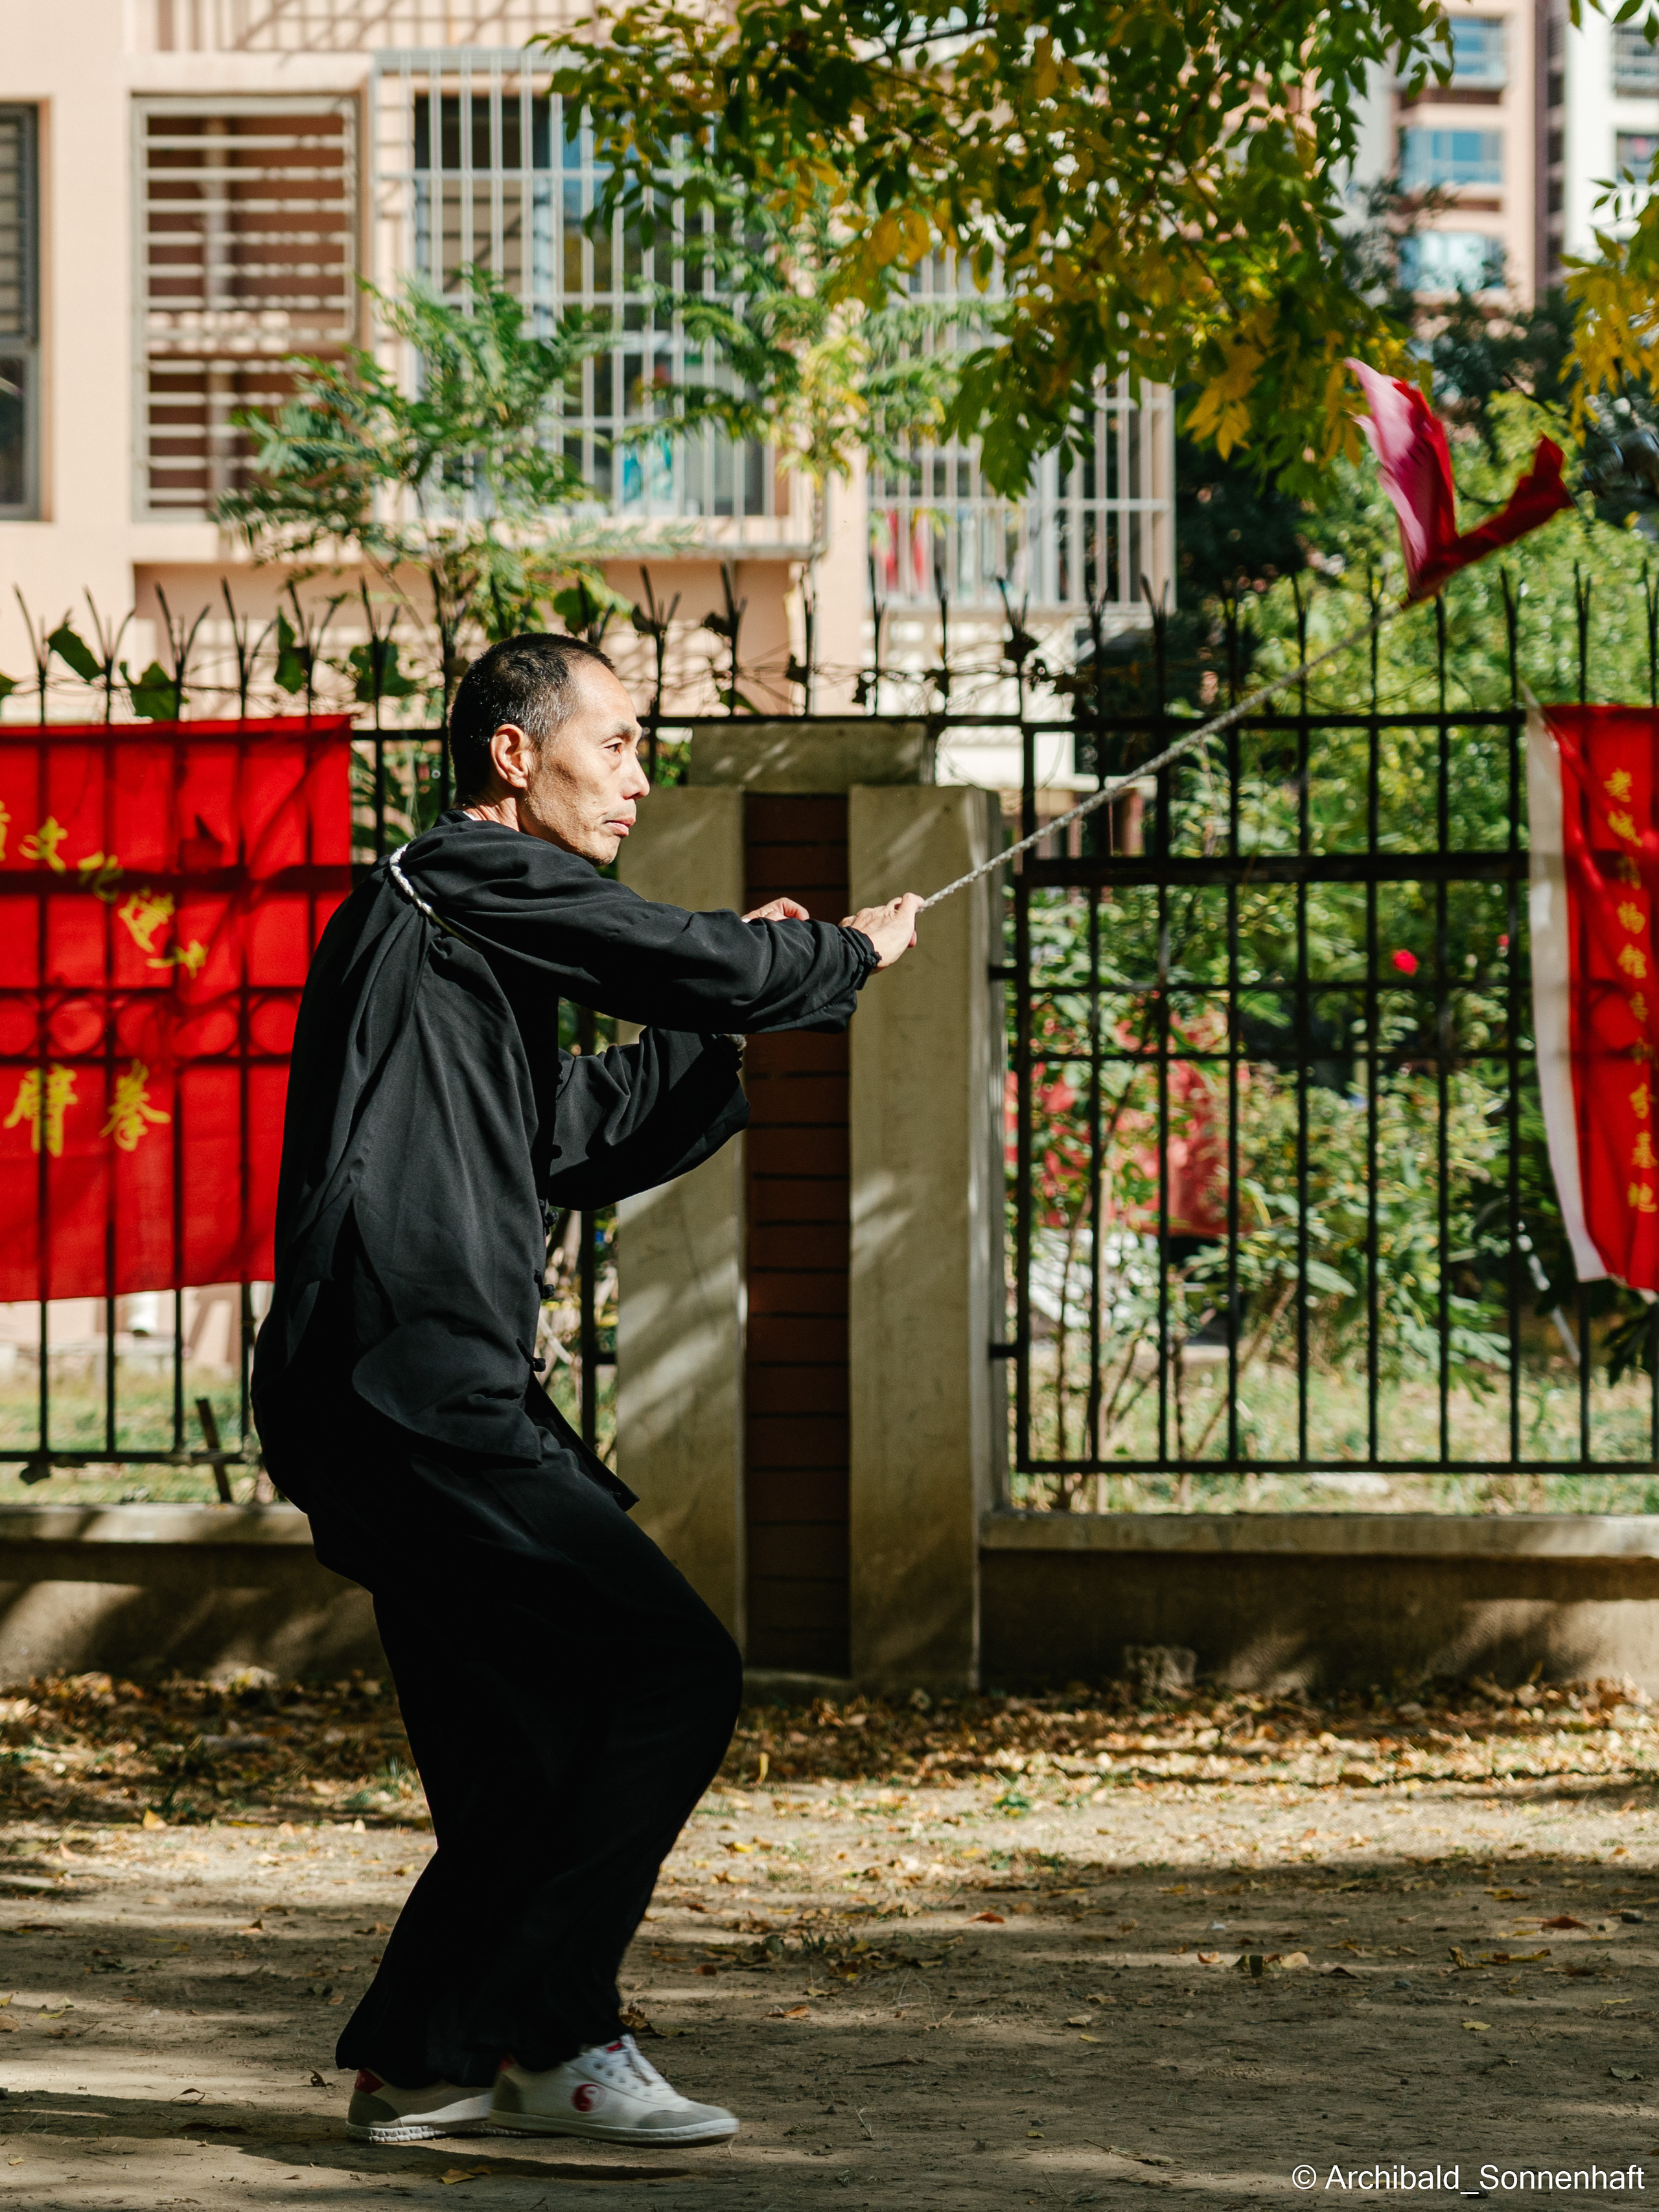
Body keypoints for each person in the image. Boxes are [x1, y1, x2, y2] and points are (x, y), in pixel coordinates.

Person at [252, 632, 922, 2150]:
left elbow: (574, 1132)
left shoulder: (462, 947)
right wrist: (832, 958)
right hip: (409, 1386)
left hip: (397, 1393)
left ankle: (442, 2057)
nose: (635, 780)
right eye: (614, 745)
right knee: (668, 1672)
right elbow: (681, 949)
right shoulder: (447, 876)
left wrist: (730, 1004)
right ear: (512, 753)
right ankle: (544, 2037)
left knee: (527, 1745)